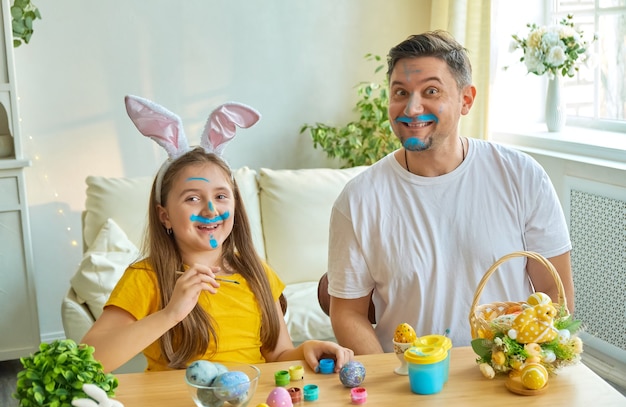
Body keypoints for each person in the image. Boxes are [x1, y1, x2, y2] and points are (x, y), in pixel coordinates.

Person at [326, 31, 575, 354]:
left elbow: (554, 293)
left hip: (507, 375)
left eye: (431, 91)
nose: (412, 108)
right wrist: (388, 378)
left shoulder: (522, 176)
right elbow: (348, 312)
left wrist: (529, 361)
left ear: (466, 100)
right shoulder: (357, 200)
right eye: (400, 92)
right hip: (408, 382)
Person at [81, 95, 353, 373]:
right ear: (165, 216)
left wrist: (305, 349)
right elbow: (90, 360)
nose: (211, 209)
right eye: (192, 199)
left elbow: (277, 354)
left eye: (221, 196)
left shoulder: (256, 272)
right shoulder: (147, 277)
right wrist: (171, 313)